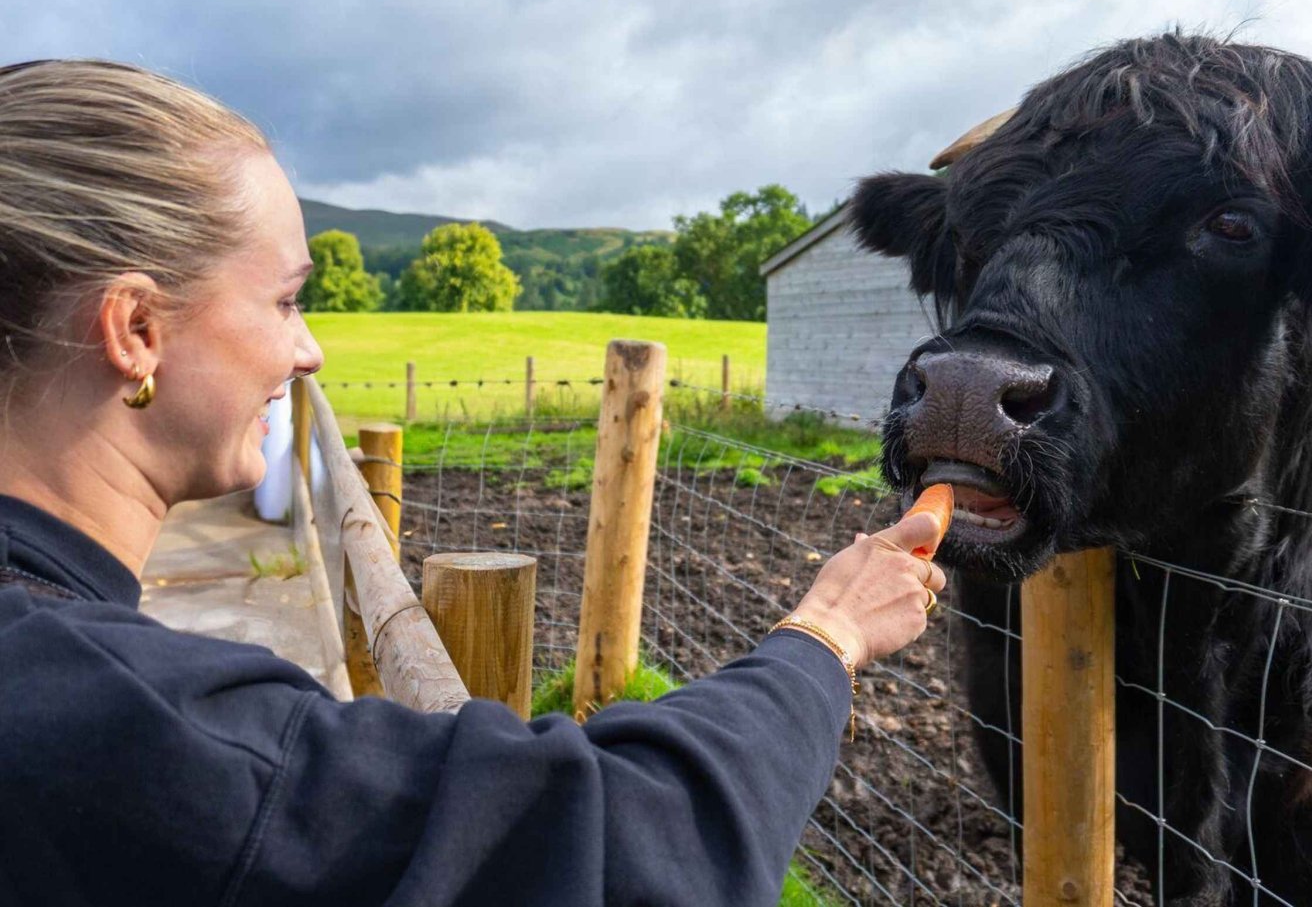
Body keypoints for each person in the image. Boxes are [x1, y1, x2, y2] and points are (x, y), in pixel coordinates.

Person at [0, 59, 946, 907]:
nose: (309, 347)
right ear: (134, 330)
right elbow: (635, 842)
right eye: (285, 299)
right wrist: (830, 630)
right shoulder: (109, 720)